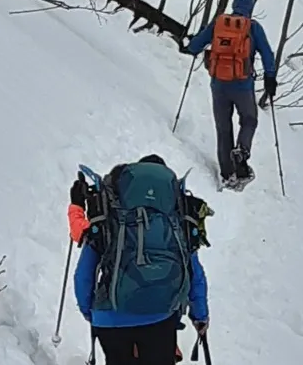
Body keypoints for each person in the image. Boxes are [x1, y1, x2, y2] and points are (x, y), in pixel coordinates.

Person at [68, 155, 209, 364]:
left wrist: (92, 311)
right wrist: (200, 316)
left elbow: (83, 275)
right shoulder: (175, 222)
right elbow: (195, 275)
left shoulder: (110, 216)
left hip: (110, 319)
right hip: (160, 316)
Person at [185, 0, 278, 190]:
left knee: (223, 128)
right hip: (243, 86)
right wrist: (271, 78)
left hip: (218, 85)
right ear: (250, 9)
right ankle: (242, 152)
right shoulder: (253, 28)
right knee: (249, 120)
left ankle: (228, 175)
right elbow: (268, 54)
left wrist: (193, 42)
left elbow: (194, 46)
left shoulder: (219, 23)